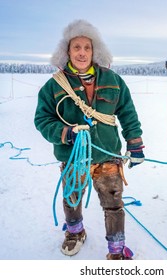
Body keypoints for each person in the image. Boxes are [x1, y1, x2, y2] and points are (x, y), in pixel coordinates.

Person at [34, 19, 144, 260]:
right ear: (67, 51)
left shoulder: (113, 80)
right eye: (76, 47)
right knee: (72, 197)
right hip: (73, 156)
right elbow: (42, 119)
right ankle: (75, 233)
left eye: (87, 47)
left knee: (114, 203)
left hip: (108, 155)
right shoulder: (54, 86)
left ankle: (116, 249)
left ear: (95, 51)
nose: (82, 53)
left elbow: (127, 113)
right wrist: (66, 133)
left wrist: (134, 143)